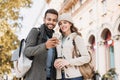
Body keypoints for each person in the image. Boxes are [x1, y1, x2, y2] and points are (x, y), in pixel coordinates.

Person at [24, 9, 59, 80]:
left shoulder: (55, 36)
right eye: (49, 19)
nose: (51, 22)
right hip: (34, 77)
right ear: (44, 19)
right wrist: (45, 46)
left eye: (54, 20)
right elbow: (27, 51)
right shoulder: (35, 32)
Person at [54, 13, 90, 80]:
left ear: (70, 24)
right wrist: (56, 61)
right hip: (61, 76)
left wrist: (68, 62)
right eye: (60, 24)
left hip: (75, 76)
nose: (62, 25)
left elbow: (87, 58)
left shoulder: (76, 37)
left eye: (65, 22)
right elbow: (60, 56)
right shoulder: (59, 40)